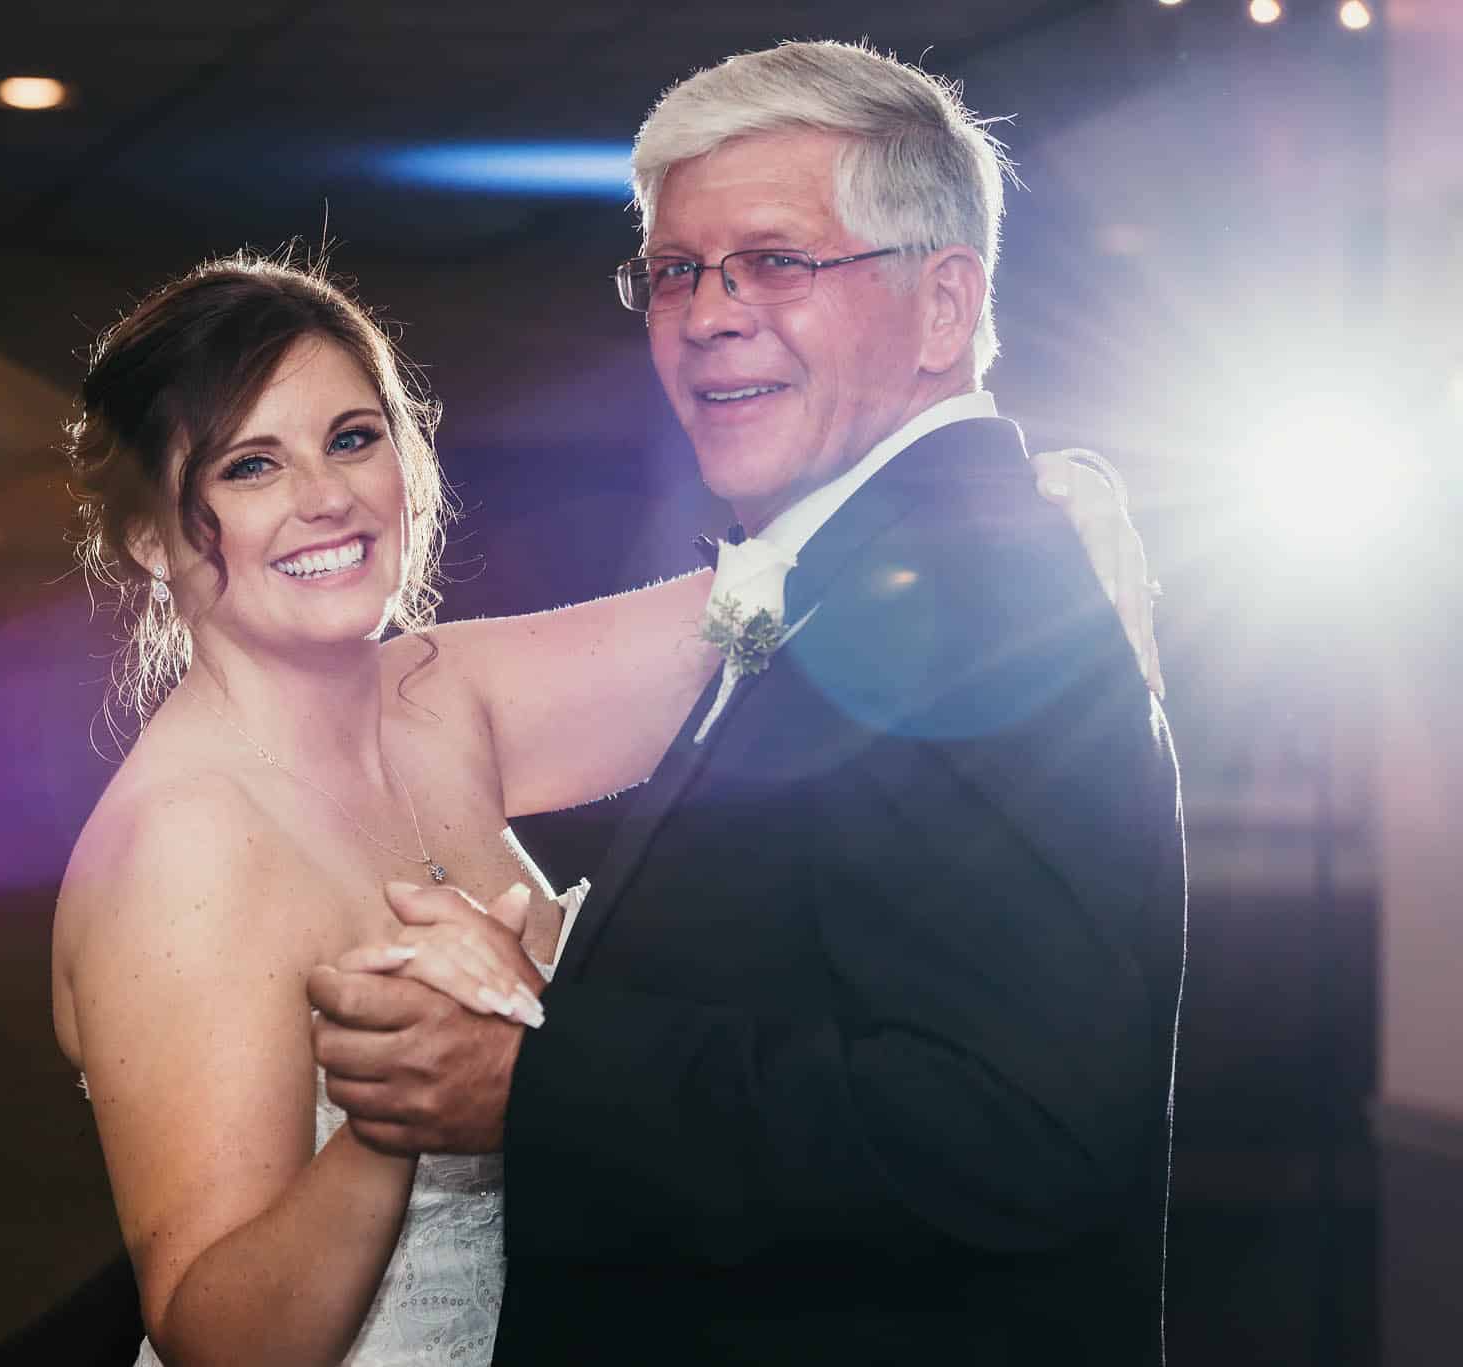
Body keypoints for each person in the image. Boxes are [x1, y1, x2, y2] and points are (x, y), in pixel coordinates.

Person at [50, 245, 1158, 1361]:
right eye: (250, 466)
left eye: (351, 436)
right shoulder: (179, 845)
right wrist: (398, 1109)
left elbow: (774, 596)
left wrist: (1040, 506)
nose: (326, 496)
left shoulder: (441, 694)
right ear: (149, 534)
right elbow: (217, 1334)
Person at [308, 39, 1188, 1366]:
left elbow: (1027, 1127)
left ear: (945, 307)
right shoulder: (855, 576)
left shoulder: (975, 594)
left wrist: (538, 1082)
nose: (707, 313)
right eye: (675, 270)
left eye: (776, 261)